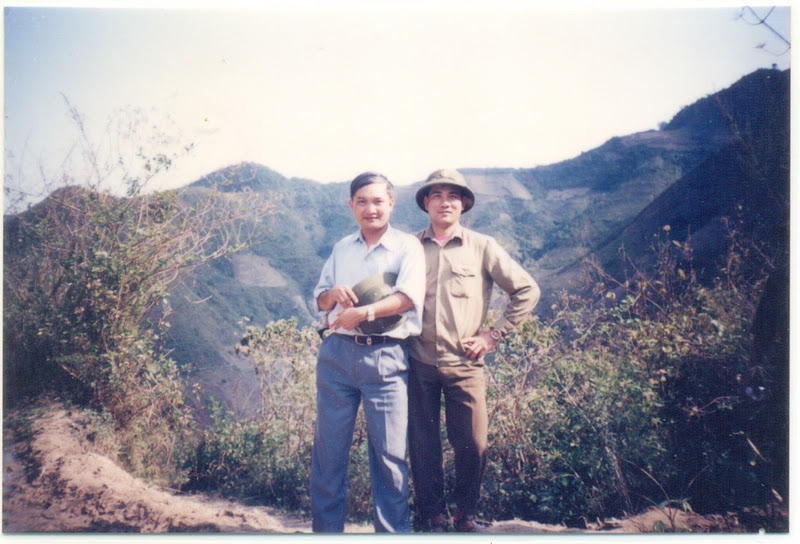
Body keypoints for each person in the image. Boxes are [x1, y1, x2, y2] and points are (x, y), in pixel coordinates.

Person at [408, 168, 540, 533]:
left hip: (465, 364)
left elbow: (527, 290)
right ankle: (433, 517)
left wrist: (493, 334)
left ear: (464, 203)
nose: (445, 202)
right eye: (436, 195)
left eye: (453, 195)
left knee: (473, 444)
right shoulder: (409, 247)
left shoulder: (482, 246)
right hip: (417, 362)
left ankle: (464, 516)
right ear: (426, 203)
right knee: (422, 445)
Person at [310, 172, 425, 533]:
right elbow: (320, 299)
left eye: (378, 201)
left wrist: (364, 313)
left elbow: (407, 298)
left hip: (386, 357)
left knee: (390, 456)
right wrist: (333, 294)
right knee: (328, 454)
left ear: (391, 203)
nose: (370, 209)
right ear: (351, 205)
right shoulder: (342, 247)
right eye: (362, 201)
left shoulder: (407, 246)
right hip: (337, 356)